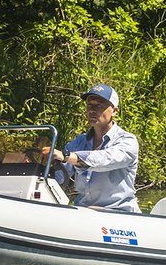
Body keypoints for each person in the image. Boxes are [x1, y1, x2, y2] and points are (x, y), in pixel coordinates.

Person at [51, 84, 140, 212]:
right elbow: (60, 175)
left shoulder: (127, 141)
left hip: (119, 213)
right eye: (89, 104)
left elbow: (104, 159)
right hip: (84, 212)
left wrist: (67, 156)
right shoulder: (80, 141)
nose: (92, 110)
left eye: (99, 105)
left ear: (114, 111)